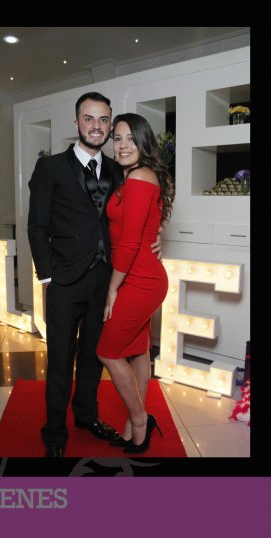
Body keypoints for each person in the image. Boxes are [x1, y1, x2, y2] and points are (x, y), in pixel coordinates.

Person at [28, 92, 160, 458]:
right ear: (76, 123)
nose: (96, 126)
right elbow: (37, 226)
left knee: (94, 356)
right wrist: (47, 277)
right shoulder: (50, 167)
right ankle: (54, 431)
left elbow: (141, 210)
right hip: (65, 281)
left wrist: (157, 234)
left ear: (110, 124)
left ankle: (86, 416)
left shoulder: (121, 168)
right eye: (89, 118)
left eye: (104, 120)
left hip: (107, 281)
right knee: (60, 360)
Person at [96, 113, 173, 454]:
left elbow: (128, 243)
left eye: (131, 139)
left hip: (140, 279)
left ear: (144, 143)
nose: (123, 145)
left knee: (107, 352)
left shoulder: (140, 177)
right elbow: (146, 224)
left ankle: (140, 420)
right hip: (138, 275)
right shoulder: (133, 176)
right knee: (138, 350)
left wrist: (113, 288)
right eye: (117, 138)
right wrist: (157, 233)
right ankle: (133, 425)